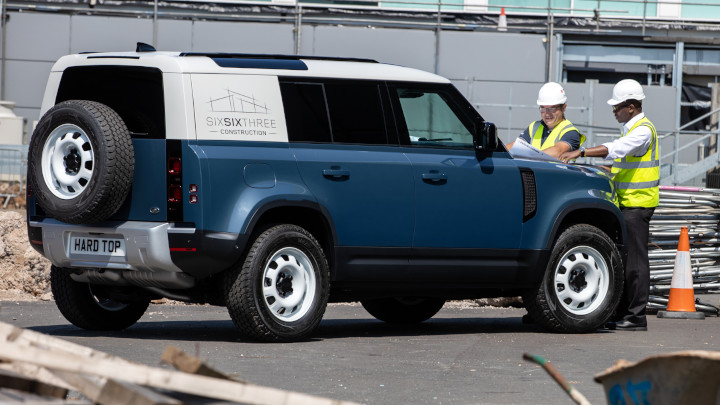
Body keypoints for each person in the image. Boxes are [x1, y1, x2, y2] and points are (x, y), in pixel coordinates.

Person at [560, 79, 659, 332]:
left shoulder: (643, 130)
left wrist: (580, 153)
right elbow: (622, 165)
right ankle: (625, 312)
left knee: (636, 262)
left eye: (617, 106)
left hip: (638, 204)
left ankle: (637, 317)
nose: (614, 110)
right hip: (627, 203)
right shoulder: (631, 128)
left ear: (632, 106)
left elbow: (616, 150)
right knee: (626, 261)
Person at [507, 82, 585, 159]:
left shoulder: (570, 132)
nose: (547, 113)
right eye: (543, 108)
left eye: (552, 108)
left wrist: (527, 156)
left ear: (563, 108)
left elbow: (557, 151)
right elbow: (515, 146)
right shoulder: (534, 127)